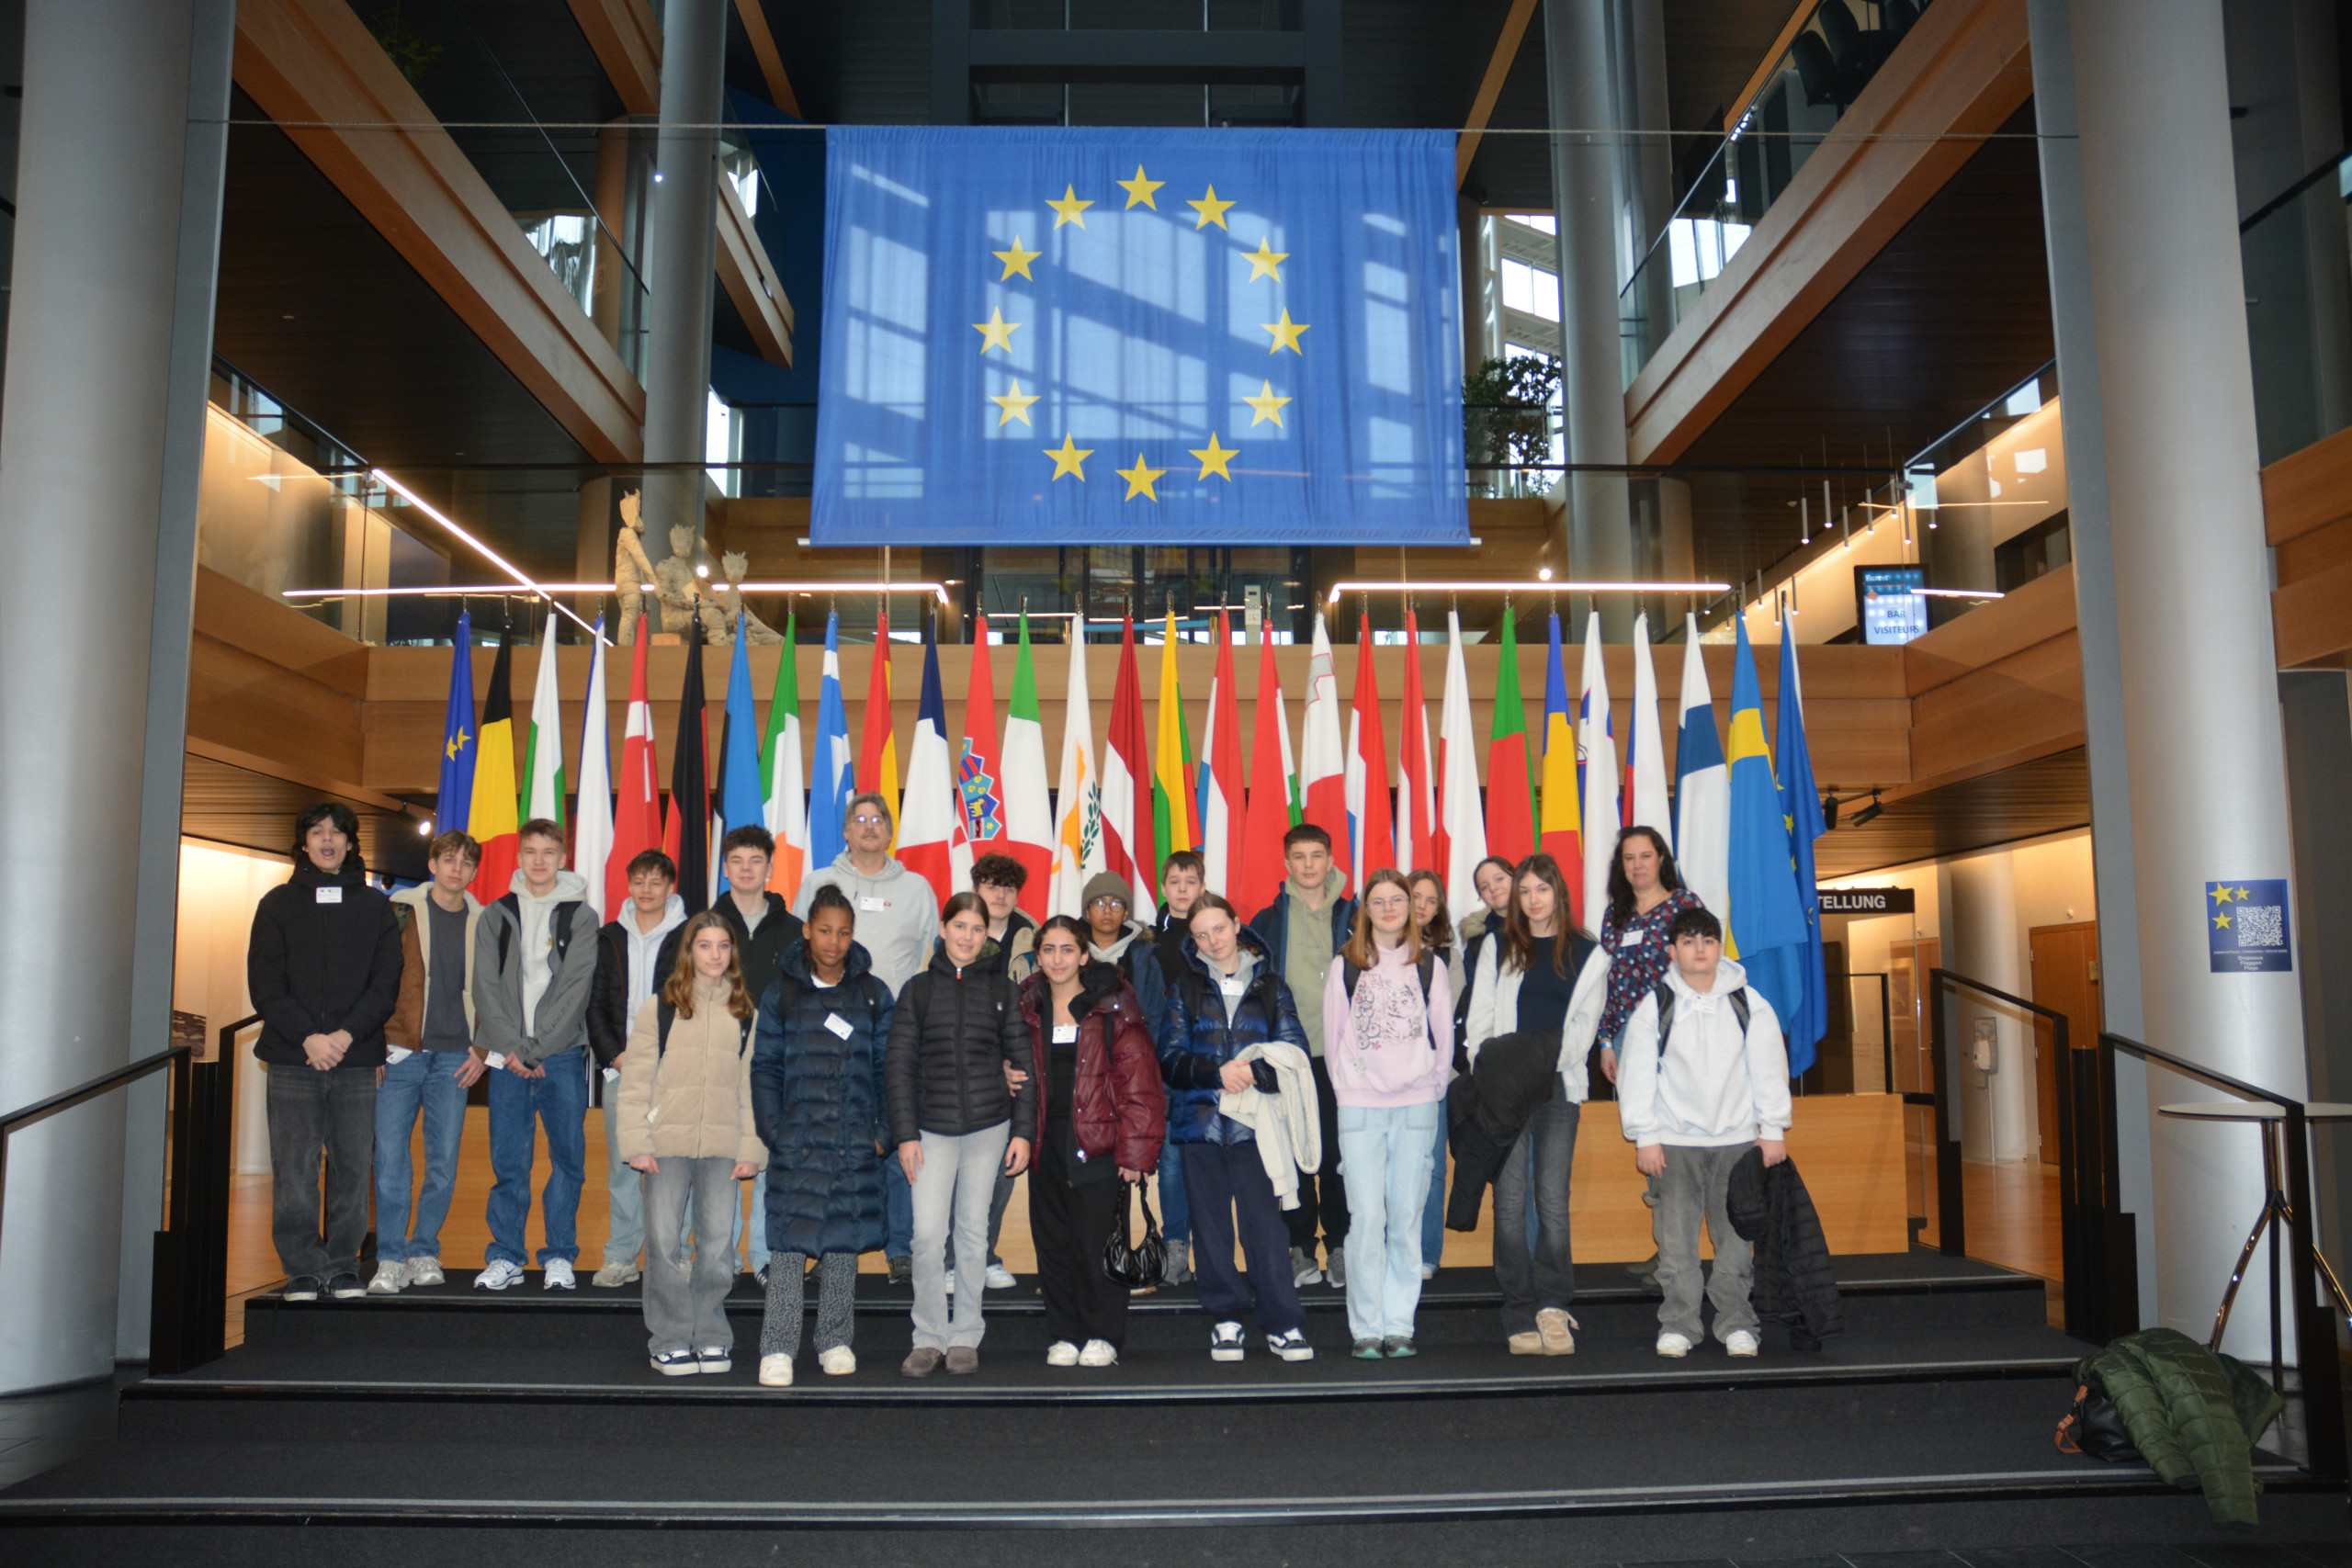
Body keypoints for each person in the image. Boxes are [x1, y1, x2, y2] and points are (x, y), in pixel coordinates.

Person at [1616, 906, 1790, 1359]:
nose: (1699, 949)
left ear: (1719, 948)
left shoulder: (1749, 1003)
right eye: (1689, 941)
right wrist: (1645, 1136)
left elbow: (1769, 1068)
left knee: (1736, 1245)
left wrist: (1772, 1128)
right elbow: (1636, 1076)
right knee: (1675, 1247)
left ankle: (1737, 1324)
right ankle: (1679, 1325)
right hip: (1674, 1147)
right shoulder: (1656, 1005)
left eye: (1708, 941)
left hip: (1738, 1145)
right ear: (1672, 951)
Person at [247, 803, 402, 1302]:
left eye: (337, 833)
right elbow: (265, 984)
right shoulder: (276, 904)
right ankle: (302, 1269)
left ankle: (341, 1265)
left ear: (351, 844)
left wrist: (345, 1035)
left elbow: (386, 984)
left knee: (352, 1166)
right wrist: (308, 1038)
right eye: (317, 832)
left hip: (355, 1058)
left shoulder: (376, 907)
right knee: (294, 1166)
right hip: (294, 1058)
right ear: (305, 842)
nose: (328, 840)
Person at [1158, 895, 1316, 1363]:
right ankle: (1225, 1318)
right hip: (1200, 1127)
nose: (1213, 940)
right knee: (1210, 1231)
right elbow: (1169, 1059)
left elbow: (1295, 1052)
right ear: (1193, 941)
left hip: (1257, 1131)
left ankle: (1282, 1323)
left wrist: (1255, 1072)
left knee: (1266, 1231)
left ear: (1237, 924)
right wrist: (1216, 1073)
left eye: (1219, 929)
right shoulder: (1183, 988)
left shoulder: (1271, 985)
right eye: (1201, 935)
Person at [1463, 853, 1609, 1355]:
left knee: (1551, 1200)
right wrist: (1493, 1068)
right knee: (1508, 1203)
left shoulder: (1590, 953)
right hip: (1505, 1089)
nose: (1532, 899)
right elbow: (1480, 1018)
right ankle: (1519, 1308)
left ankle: (1552, 1306)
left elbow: (1584, 1030)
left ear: (1558, 892)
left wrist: (1537, 1061)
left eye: (1541, 889)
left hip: (1558, 1087)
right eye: (1523, 891)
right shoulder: (1498, 945)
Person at [751, 886, 896, 1386]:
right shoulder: (782, 993)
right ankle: (777, 1348)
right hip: (798, 1140)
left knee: (843, 1243)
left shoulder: (873, 994)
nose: (834, 942)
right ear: (808, 931)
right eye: (825, 930)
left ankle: (835, 1339)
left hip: (855, 1139)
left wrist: (882, 1134)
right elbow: (765, 1067)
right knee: (788, 1247)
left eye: (844, 932)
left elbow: (888, 1069)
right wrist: (775, 1131)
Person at [797, 791, 941, 1284]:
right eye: (859, 818)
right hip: (830, 1036)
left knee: (901, 1138)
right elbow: (801, 953)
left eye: (878, 818)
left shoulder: (917, 888)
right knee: (837, 1144)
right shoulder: (819, 882)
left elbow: (930, 959)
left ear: (889, 831)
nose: (869, 825)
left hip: (899, 1034)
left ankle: (900, 1249)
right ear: (845, 831)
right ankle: (836, 1248)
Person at [887, 892, 1034, 1375]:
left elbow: (1023, 1065)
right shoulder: (917, 990)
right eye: (960, 926)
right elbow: (899, 1067)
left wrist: (1022, 1131)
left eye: (977, 929)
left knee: (973, 1235)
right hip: (930, 1131)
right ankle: (928, 1336)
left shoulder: (1002, 991)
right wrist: (905, 1134)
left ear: (986, 935)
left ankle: (966, 1334)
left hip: (989, 1128)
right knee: (928, 1237)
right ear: (943, 929)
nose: (968, 937)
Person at [616, 913, 765, 1374]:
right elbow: (636, 1082)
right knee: (663, 1244)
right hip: (665, 1145)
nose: (714, 955)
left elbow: (752, 1087)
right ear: (689, 951)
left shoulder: (746, 1013)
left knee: (718, 1247)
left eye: (723, 945)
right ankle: (670, 1338)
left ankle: (712, 1335)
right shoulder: (659, 1008)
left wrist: (751, 1148)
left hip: (723, 1147)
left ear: (732, 953)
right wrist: (637, 1141)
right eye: (705, 945)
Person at [658, 825, 804, 1285]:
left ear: (770, 867)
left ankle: (764, 1256)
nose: (746, 869)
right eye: (737, 860)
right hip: (712, 1062)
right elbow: (671, 992)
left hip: (776, 1065)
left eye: (755, 860)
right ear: (724, 868)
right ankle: (714, 1257)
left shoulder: (795, 931)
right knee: (711, 1159)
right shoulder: (701, 927)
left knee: (770, 1160)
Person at [1017, 916, 1165, 1367]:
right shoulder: (1026, 1006)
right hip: (1044, 1143)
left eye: (1067, 949)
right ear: (1037, 957)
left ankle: (1103, 1335)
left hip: (1099, 1145)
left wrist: (1135, 1153)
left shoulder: (1113, 1005)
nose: (1058, 959)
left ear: (1084, 955)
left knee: (1097, 1243)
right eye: (1048, 950)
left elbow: (1140, 1082)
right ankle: (1064, 1334)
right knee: (1053, 1244)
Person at [1324, 871, 1453, 1359]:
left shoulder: (1430, 965)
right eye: (1378, 901)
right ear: (1366, 911)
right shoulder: (1346, 966)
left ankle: (1399, 1325)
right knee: (1366, 1217)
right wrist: (1349, 1090)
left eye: (1397, 899)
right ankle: (1366, 1328)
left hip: (1416, 1107)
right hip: (1360, 1107)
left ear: (1410, 907)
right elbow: (1334, 1036)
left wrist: (1431, 1088)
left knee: (1404, 1218)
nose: (1389, 908)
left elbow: (1443, 1036)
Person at [471, 818, 598, 1292]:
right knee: (509, 1164)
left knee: (568, 1161)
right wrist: (514, 1049)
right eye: (530, 851)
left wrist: (537, 1047)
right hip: (508, 1058)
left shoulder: (581, 916)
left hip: (560, 1056)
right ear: (519, 857)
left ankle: (559, 1255)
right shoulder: (495, 914)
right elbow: (484, 989)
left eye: (548, 852)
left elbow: (575, 990)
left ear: (563, 858)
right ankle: (505, 1256)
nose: (539, 860)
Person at [374, 830, 488, 1292]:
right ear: (432, 864)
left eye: (466, 862)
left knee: (442, 1162)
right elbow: (375, 977)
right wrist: (375, 1042)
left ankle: (423, 1250)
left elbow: (497, 990)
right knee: (390, 1161)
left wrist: (483, 1049)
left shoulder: (485, 921)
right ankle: (389, 1257)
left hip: (456, 1057)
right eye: (448, 859)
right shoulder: (398, 911)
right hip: (400, 1052)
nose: (456, 869)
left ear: (474, 871)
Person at [1245, 824, 1358, 1290]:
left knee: (1336, 1154)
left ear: (1330, 861)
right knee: (1291, 1156)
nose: (1308, 865)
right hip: (1288, 1057)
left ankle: (1341, 1244)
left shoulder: (1356, 917)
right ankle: (1299, 1248)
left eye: (1316, 855)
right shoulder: (1267, 921)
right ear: (1286, 863)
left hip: (1342, 1059)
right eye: (1299, 856)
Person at [1591, 825, 1703, 1289]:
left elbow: (1701, 971)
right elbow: (1607, 985)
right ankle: (1668, 1249)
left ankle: (1677, 1252)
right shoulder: (1615, 915)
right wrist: (1605, 1041)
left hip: (1675, 1039)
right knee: (1650, 1143)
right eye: (1629, 858)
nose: (1637, 865)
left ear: (1661, 859)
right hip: (1626, 1044)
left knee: (1676, 1145)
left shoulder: (1684, 906)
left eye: (1645, 855)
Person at [586, 849, 686, 1288]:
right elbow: (594, 1005)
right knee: (624, 1169)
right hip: (623, 1069)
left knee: (674, 1170)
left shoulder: (689, 936)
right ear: (628, 885)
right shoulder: (607, 937)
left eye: (656, 881)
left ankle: (675, 1257)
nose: (647, 889)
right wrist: (616, 1056)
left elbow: (697, 1003)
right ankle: (621, 1256)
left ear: (670, 887)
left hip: (674, 1073)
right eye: (639, 881)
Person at [1146, 850, 1207, 1286]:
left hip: (1209, 1064)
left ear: (1202, 887)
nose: (1183, 890)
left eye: (1191, 882)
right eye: (1175, 882)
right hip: (1163, 1067)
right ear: (1163, 888)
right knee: (1170, 1161)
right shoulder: (1149, 942)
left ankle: (1213, 1248)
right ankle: (1174, 1245)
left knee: (1207, 1159)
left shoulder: (1214, 935)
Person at [1406, 870, 1457, 1280]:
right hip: (1386, 1080)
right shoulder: (1372, 950)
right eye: (1415, 896)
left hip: (1435, 1077)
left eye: (1431, 900)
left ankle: (1426, 1253)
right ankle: (1392, 1246)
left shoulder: (1448, 958)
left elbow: (1451, 1020)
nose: (1421, 906)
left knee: (1433, 1166)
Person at [972, 853, 1037, 980]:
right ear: (975, 891)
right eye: (992, 887)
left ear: (1017, 897)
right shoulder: (952, 939)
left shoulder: (1035, 944)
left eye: (1009, 889)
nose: (1001, 895)